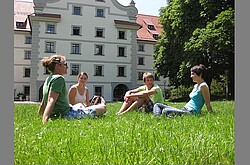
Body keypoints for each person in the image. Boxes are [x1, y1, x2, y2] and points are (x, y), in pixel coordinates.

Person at [37, 54, 106, 124]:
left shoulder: (49, 78)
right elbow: (51, 100)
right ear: (58, 66)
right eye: (65, 64)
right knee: (103, 107)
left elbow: (43, 101)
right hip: (66, 114)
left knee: (80, 105)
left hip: (63, 111)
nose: (67, 67)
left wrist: (39, 115)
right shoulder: (59, 79)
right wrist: (44, 120)